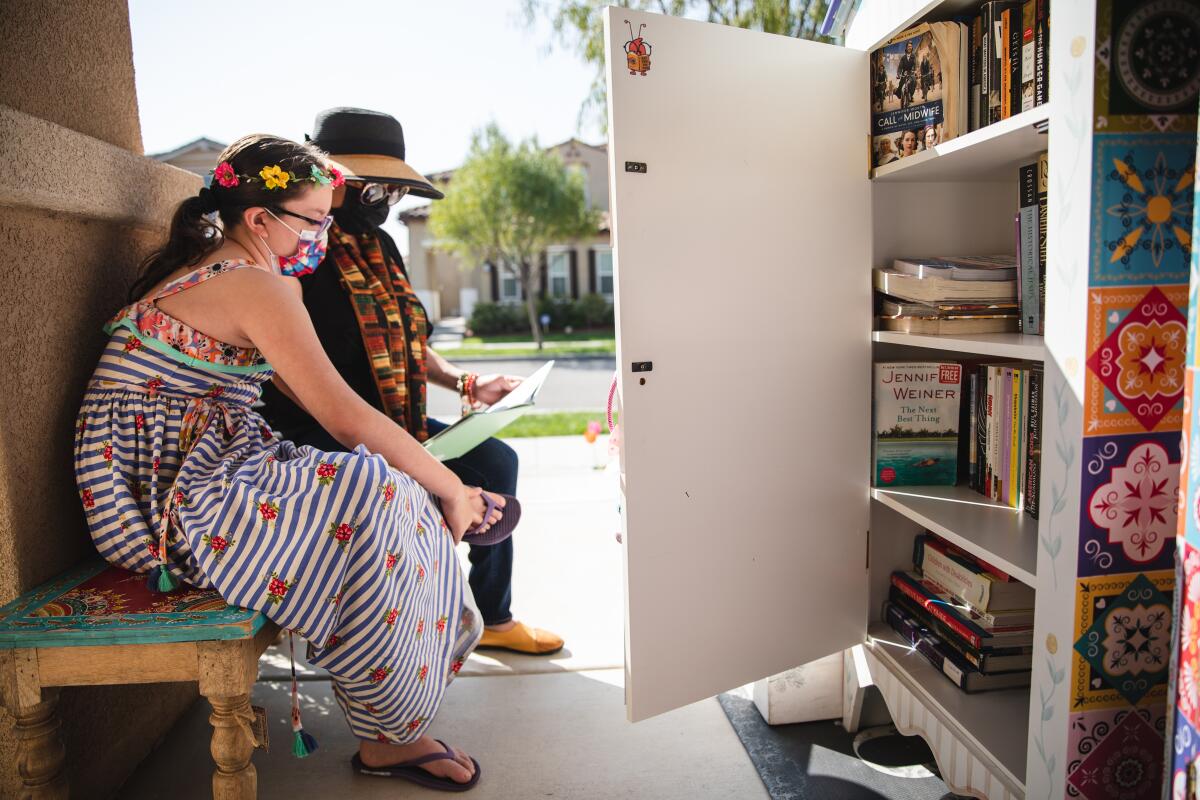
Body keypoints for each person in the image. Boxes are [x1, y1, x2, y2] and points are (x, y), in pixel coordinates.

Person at [74, 134, 506, 790]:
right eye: (313, 219)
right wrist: (452, 489)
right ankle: (390, 733)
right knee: (372, 490)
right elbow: (345, 416)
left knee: (385, 484)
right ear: (260, 219)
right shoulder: (253, 286)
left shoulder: (232, 270)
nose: (323, 234)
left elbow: (310, 398)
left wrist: (438, 485)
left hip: (193, 466)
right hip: (161, 500)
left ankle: (400, 704)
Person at [260, 107, 564, 656]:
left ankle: (493, 618)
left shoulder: (383, 246)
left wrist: (468, 383)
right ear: (326, 178)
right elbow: (286, 374)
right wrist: (385, 449)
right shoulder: (296, 249)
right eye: (367, 185)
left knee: (498, 463)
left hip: (396, 415)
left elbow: (407, 341)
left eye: (390, 189)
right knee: (407, 494)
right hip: (319, 431)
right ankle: (393, 640)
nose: (381, 199)